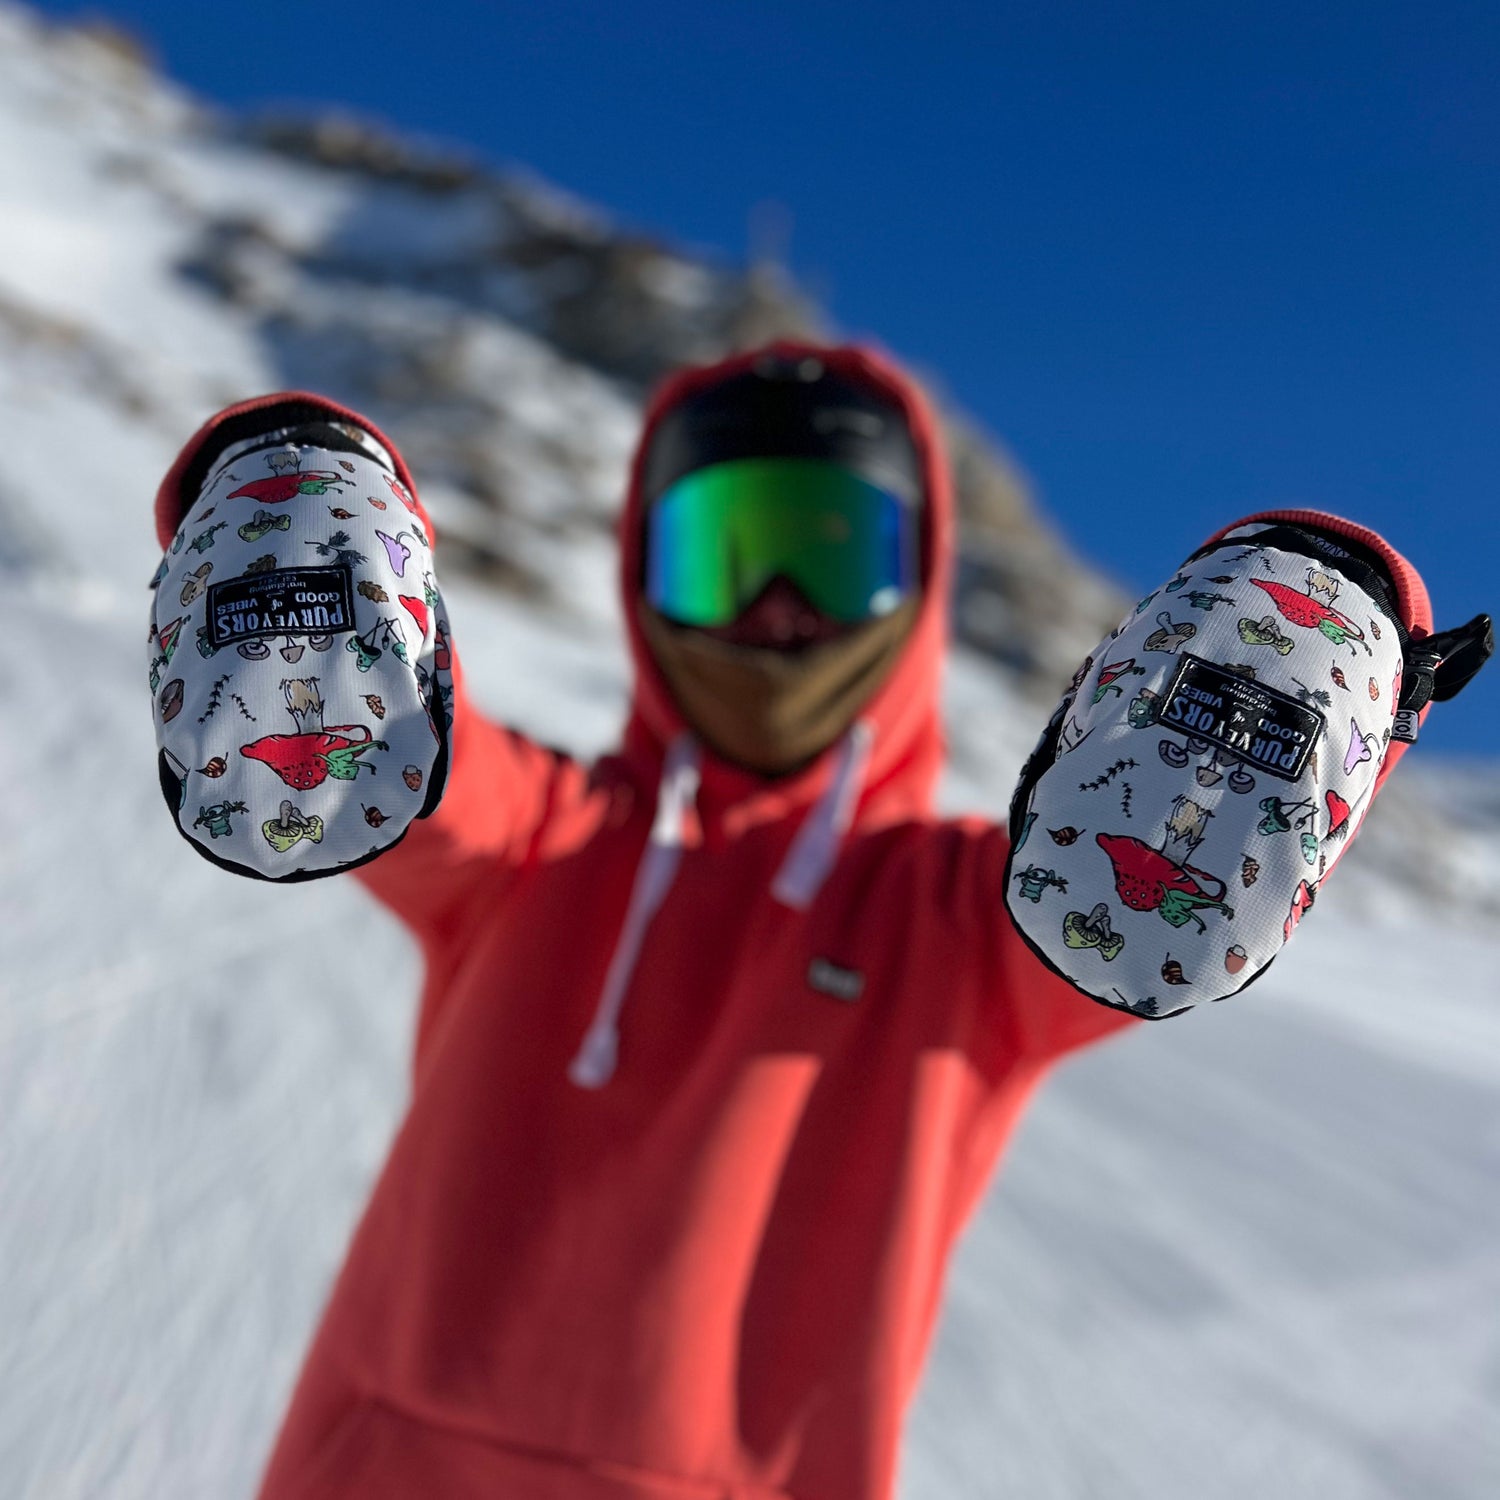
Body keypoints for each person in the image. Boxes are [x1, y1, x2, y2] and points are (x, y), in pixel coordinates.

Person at [146, 341, 1488, 1499]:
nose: (777, 614)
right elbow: (397, 785)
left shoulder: (966, 924)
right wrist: (292, 504)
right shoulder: (542, 838)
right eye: (727, 553)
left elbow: (1110, 927)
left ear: (917, 584)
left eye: (832, 557)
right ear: (642, 573)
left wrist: (1321, 622)